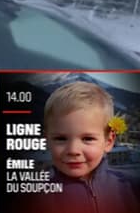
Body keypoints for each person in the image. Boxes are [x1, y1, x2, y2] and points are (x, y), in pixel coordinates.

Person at [22, 81, 139, 213]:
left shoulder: (131, 189)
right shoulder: (32, 199)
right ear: (47, 141)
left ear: (109, 141)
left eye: (87, 139)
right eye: (61, 139)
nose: (73, 150)